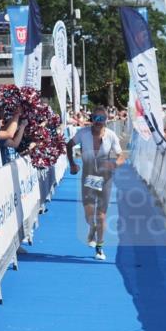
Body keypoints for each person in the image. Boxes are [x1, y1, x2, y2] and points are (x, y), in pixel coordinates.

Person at [67, 107, 124, 261]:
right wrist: (72, 164)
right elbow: (69, 145)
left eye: (102, 119)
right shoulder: (83, 134)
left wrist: (114, 165)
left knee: (101, 215)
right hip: (89, 177)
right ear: (91, 119)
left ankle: (99, 247)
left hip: (105, 178)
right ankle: (91, 227)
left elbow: (121, 156)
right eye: (96, 119)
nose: (98, 122)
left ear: (106, 120)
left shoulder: (111, 135)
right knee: (89, 214)